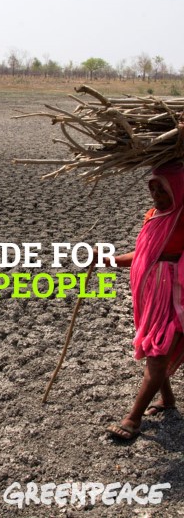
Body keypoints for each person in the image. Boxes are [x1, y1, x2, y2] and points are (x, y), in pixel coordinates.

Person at [106, 162, 184, 440]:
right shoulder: (154, 215)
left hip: (174, 295)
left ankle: (132, 420)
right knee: (153, 345)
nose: (156, 195)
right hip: (151, 295)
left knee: (157, 352)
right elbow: (142, 253)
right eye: (152, 189)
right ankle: (168, 401)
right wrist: (110, 260)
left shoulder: (181, 215)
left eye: (162, 190)